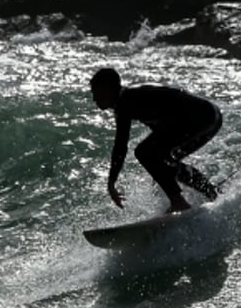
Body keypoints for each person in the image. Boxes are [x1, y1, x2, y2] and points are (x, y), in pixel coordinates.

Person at [90, 67, 222, 214]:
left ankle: (179, 202)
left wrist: (111, 182)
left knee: (144, 153)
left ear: (109, 89)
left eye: (96, 92)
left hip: (201, 117)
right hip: (211, 117)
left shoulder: (126, 101)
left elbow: (120, 146)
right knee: (166, 163)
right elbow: (164, 129)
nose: (94, 98)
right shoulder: (130, 100)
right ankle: (212, 194)